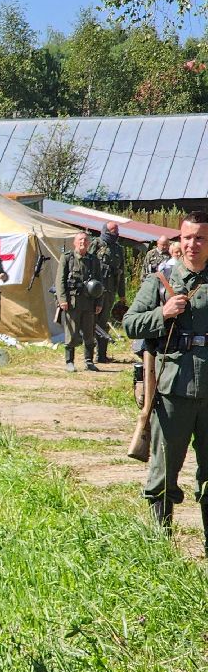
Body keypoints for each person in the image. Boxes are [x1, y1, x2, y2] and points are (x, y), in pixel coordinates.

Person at [123, 211, 208, 540]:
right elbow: (131, 324)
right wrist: (163, 313)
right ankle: (161, 548)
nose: (192, 244)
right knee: (163, 473)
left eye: (200, 238)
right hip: (173, 389)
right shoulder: (161, 279)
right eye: (187, 237)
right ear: (179, 239)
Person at [57, 231, 104, 373]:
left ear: (89, 243)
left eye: (85, 240)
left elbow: (99, 283)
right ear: (75, 242)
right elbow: (60, 281)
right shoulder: (67, 258)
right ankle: (69, 361)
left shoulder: (93, 260)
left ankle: (89, 361)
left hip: (89, 302)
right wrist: (62, 300)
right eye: (80, 240)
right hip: (72, 302)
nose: (83, 242)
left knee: (89, 333)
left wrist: (99, 302)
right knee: (71, 333)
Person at [90, 222, 127, 363]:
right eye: (113, 230)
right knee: (92, 322)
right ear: (106, 230)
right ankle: (89, 354)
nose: (116, 233)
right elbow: (88, 264)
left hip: (110, 291)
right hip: (95, 290)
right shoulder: (96, 244)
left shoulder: (118, 249)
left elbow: (121, 273)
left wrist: (122, 294)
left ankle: (102, 355)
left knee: (104, 321)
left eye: (117, 231)